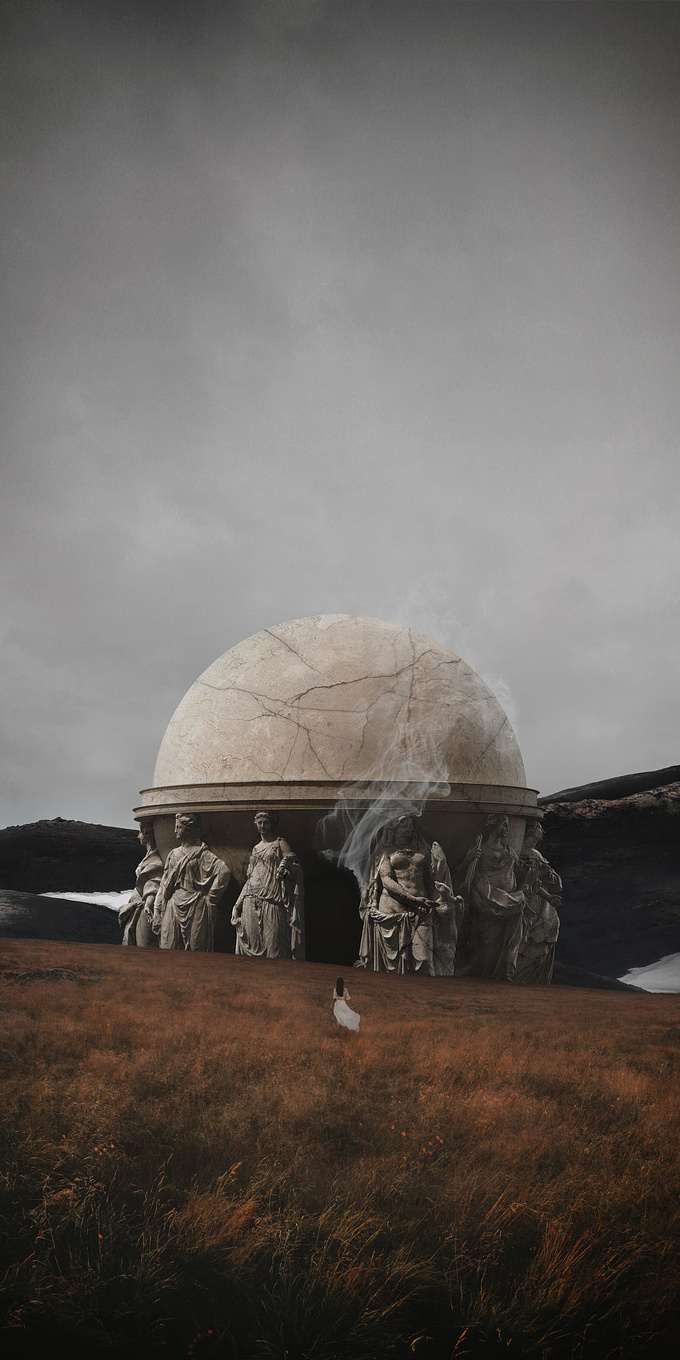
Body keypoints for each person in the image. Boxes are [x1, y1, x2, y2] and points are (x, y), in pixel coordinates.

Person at [355, 814, 460, 975]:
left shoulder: (423, 849)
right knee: (395, 968)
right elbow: (387, 880)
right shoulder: (385, 851)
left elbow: (435, 877)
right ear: (393, 828)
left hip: (422, 910)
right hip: (393, 912)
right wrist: (413, 900)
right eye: (404, 825)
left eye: (410, 825)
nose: (408, 829)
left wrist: (441, 862)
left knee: (424, 961)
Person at [454, 813, 526, 981]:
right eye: (504, 825)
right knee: (489, 940)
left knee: (506, 938)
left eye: (507, 825)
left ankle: (502, 972)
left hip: (509, 901)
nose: (507, 829)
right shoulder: (481, 850)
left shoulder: (509, 851)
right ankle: (486, 974)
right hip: (487, 902)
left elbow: (520, 870)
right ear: (494, 827)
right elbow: (462, 876)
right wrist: (468, 859)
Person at [231, 811, 304, 960]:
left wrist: (286, 872)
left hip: (272, 899)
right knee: (252, 947)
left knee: (275, 949)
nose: (263, 826)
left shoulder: (279, 844)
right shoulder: (256, 848)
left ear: (272, 824)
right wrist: (237, 905)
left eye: (266, 822)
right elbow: (250, 879)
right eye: (260, 823)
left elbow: (296, 869)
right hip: (250, 900)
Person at [153, 813, 231, 951]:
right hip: (173, 904)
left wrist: (211, 897)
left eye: (178, 827)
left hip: (195, 905)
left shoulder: (202, 853)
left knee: (196, 950)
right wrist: (157, 909)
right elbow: (164, 884)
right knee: (167, 947)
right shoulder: (173, 854)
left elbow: (224, 870)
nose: (175, 831)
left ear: (188, 829)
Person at [514, 820, 561, 984]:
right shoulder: (520, 852)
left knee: (546, 933)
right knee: (528, 937)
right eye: (540, 828)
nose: (542, 832)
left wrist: (548, 895)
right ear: (532, 831)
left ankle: (538, 978)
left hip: (539, 899)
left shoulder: (536, 854)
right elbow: (530, 880)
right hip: (528, 898)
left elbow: (551, 883)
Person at [119, 820, 163, 947]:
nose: (138, 836)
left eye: (140, 832)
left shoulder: (156, 859)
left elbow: (154, 880)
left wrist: (149, 901)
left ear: (148, 834)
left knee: (143, 947)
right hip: (139, 904)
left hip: (146, 907)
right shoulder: (149, 856)